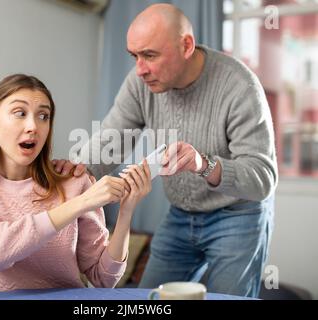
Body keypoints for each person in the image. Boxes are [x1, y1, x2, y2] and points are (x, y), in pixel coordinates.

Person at [54, 3, 278, 298]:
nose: (140, 70)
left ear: (186, 45)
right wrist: (74, 173)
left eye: (149, 55)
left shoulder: (239, 86)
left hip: (238, 214)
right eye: (134, 56)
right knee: (150, 300)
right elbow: (112, 138)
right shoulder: (140, 83)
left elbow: (262, 178)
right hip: (181, 214)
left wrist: (204, 164)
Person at [0, 74, 152, 294]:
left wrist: (126, 211)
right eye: (20, 113)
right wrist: (80, 203)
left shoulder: (73, 181)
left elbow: (103, 279)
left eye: (43, 116)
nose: (33, 126)